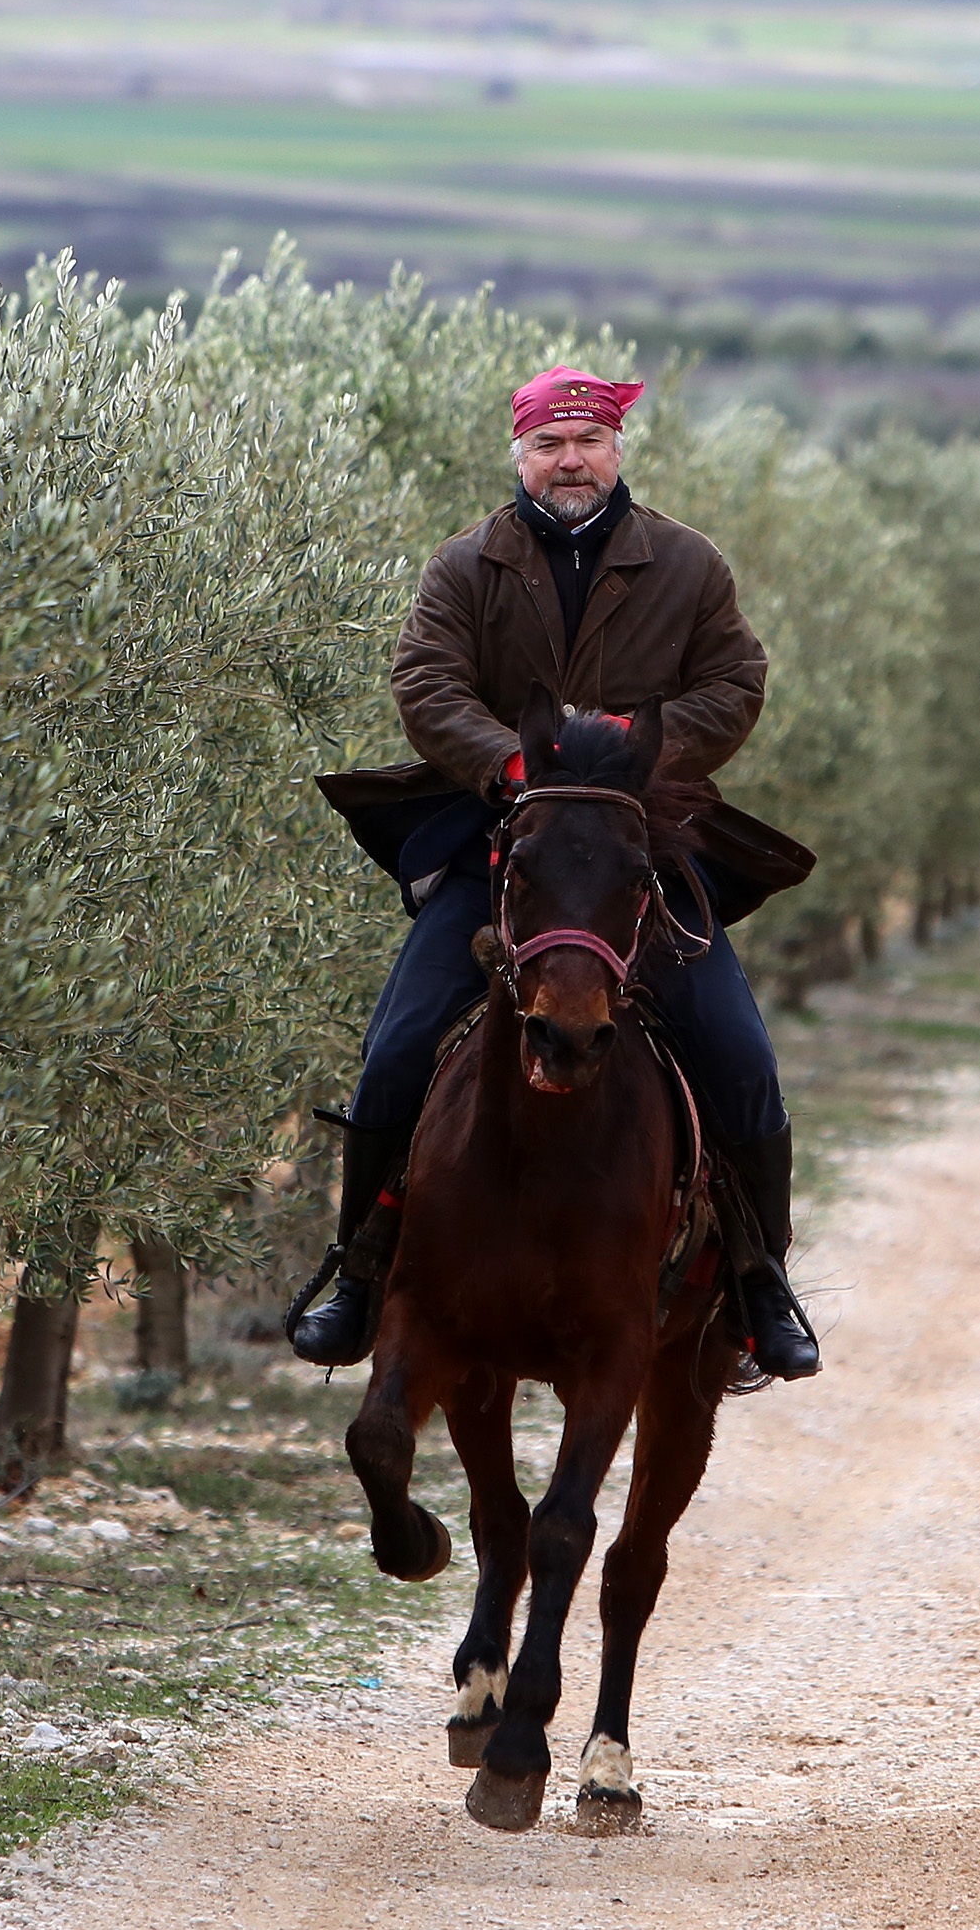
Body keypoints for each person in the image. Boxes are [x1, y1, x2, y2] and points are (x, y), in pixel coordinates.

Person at [289, 365, 821, 1379]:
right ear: (521, 455)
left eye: (587, 441)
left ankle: (762, 1284)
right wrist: (512, 762)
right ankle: (359, 1272)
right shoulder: (465, 565)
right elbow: (426, 682)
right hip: (510, 852)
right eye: (549, 444)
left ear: (617, 450)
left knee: (741, 1057)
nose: (569, 461)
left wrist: (629, 755)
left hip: (636, 858)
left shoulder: (688, 563)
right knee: (397, 1053)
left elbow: (735, 683)